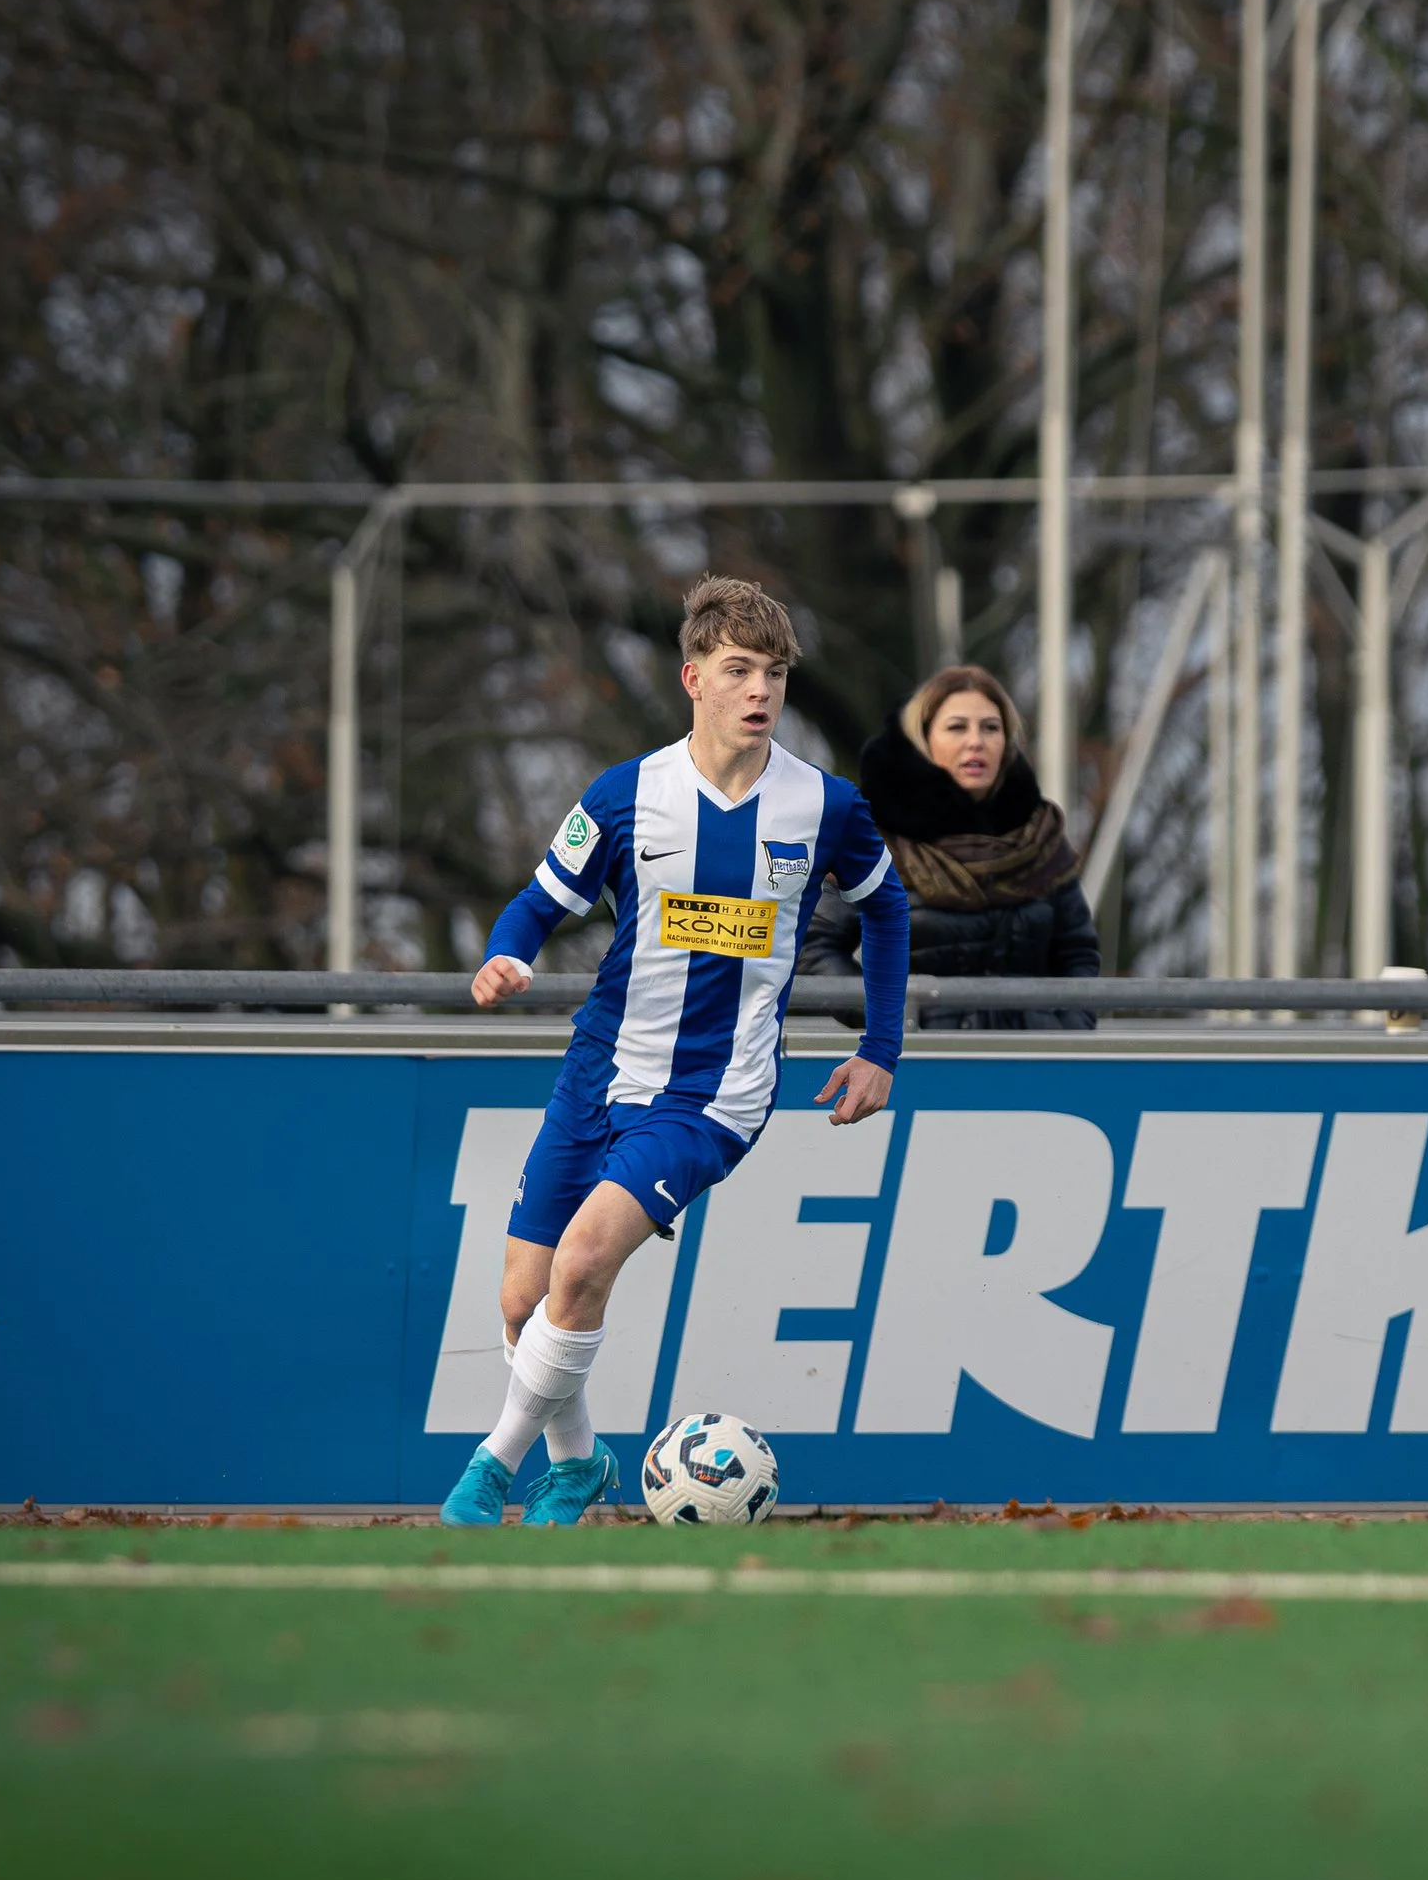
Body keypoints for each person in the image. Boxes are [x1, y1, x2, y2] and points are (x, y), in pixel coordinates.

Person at [441, 575, 909, 1526]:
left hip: (714, 1095)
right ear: (693, 678)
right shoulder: (626, 797)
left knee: (580, 1266)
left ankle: (490, 1466)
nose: (760, 691)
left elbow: (887, 907)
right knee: (524, 1298)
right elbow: (537, 904)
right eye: (738, 670)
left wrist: (882, 1048)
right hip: (600, 1072)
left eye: (774, 672)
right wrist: (503, 956)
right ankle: (577, 1466)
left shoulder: (825, 807)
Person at [798, 663, 1101, 1029]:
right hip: (923, 1066)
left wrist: (1067, 1030)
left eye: (991, 727)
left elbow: (1076, 953)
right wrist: (892, 1015)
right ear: (924, 739)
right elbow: (813, 948)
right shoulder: (875, 839)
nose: (976, 741)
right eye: (957, 727)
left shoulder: (1042, 840)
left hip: (1030, 1065)